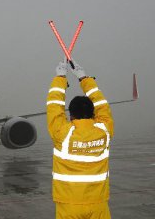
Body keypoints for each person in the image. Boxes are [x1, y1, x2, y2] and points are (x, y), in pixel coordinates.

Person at [47, 58, 114, 218]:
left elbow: (54, 105)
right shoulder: (104, 131)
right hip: (98, 203)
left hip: (69, 204)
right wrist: (85, 79)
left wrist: (60, 78)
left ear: (71, 115)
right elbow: (102, 105)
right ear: (93, 113)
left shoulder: (63, 134)